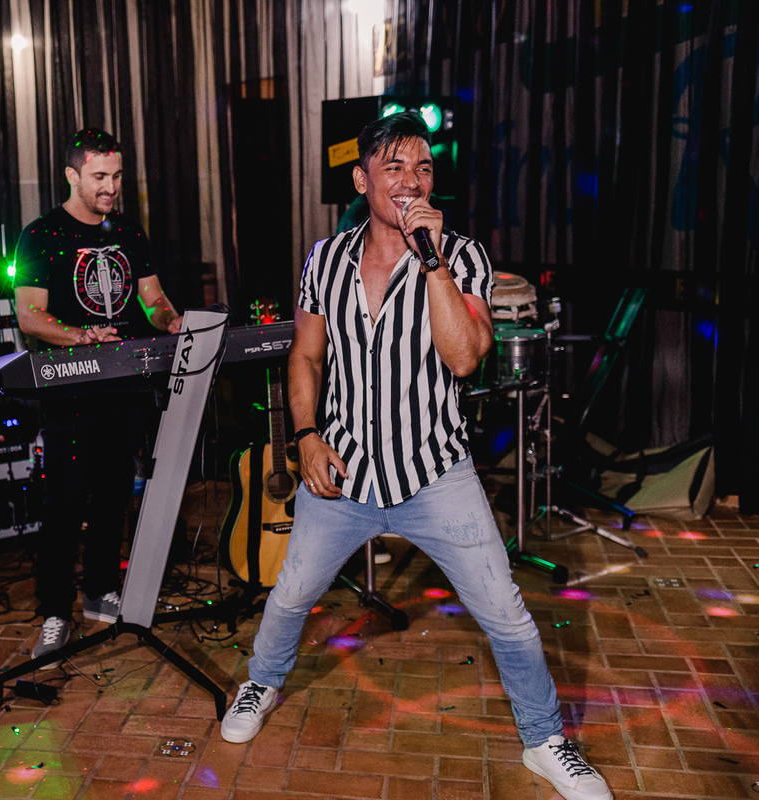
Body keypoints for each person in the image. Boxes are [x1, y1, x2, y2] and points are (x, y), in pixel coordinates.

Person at [219, 112, 612, 800]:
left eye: (424, 168)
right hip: (343, 474)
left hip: (435, 473)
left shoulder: (460, 256)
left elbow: (463, 357)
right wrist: (306, 436)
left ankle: (545, 741)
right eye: (394, 167)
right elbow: (306, 355)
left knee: (506, 613)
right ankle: (262, 683)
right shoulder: (324, 259)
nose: (410, 180)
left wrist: (429, 259)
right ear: (362, 178)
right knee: (291, 596)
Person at [14, 128, 183, 666]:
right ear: (72, 176)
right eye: (99, 177)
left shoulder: (130, 234)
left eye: (116, 176)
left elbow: (152, 299)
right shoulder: (40, 236)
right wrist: (84, 336)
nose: (111, 187)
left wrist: (171, 320)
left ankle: (100, 590)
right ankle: (54, 609)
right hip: (71, 389)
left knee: (115, 492)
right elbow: (30, 316)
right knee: (64, 501)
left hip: (126, 384)